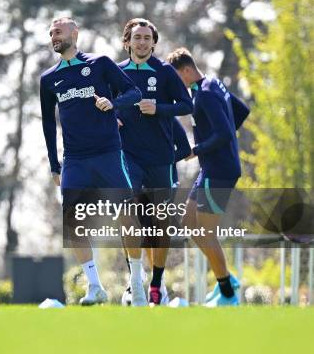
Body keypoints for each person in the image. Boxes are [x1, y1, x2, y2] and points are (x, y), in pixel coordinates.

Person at [40, 17, 142, 305]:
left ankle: (136, 280)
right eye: (51, 34)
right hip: (74, 160)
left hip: (109, 154)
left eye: (58, 32)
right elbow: (48, 124)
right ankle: (95, 286)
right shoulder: (48, 79)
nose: (54, 36)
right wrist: (53, 165)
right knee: (72, 221)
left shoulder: (100, 64)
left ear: (75, 33)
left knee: (127, 216)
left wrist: (114, 103)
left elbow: (133, 92)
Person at [116, 18, 193, 305]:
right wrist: (114, 117)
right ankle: (134, 279)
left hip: (161, 159)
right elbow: (102, 106)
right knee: (127, 211)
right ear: (128, 42)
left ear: (153, 42)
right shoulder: (117, 73)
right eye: (137, 37)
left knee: (160, 225)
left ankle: (156, 284)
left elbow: (187, 105)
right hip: (128, 158)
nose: (142, 42)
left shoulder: (163, 72)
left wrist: (158, 108)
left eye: (147, 38)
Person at [167, 47, 250, 306]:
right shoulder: (214, 84)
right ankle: (227, 278)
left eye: (177, 78)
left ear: (188, 71)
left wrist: (198, 149)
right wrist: (217, 142)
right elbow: (242, 111)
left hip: (219, 170)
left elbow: (225, 132)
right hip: (211, 167)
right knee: (189, 223)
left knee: (205, 230)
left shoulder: (204, 95)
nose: (176, 85)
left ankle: (227, 292)